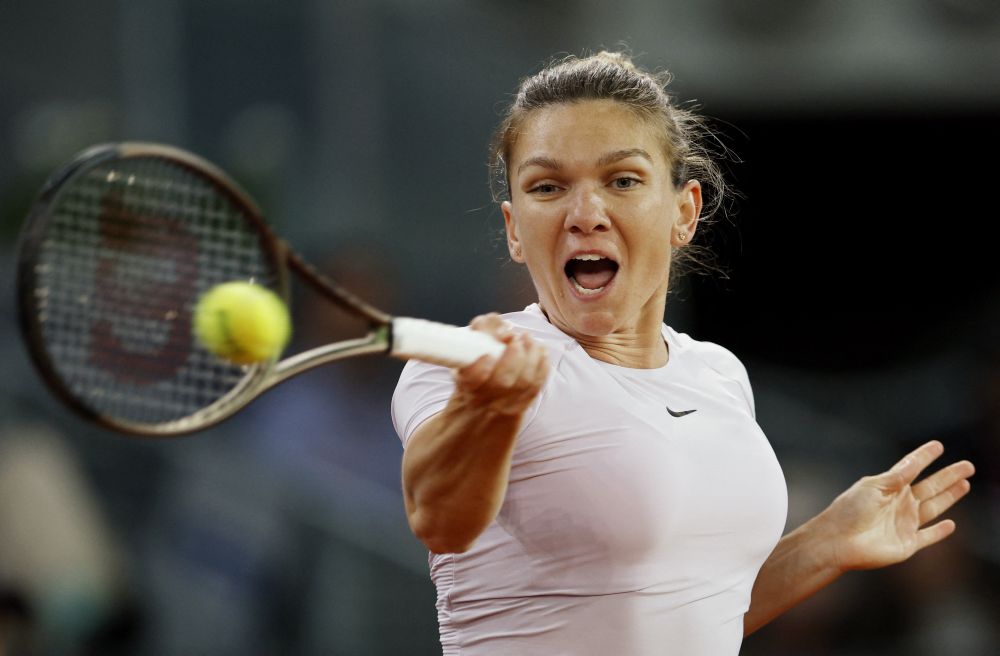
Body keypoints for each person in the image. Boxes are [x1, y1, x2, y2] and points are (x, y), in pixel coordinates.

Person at [390, 52, 976, 655]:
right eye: (548, 187)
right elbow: (440, 522)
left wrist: (825, 544)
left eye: (622, 180)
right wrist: (487, 408)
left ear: (684, 212)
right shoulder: (471, 367)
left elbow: (699, 614)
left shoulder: (717, 373)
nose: (585, 214)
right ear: (515, 229)